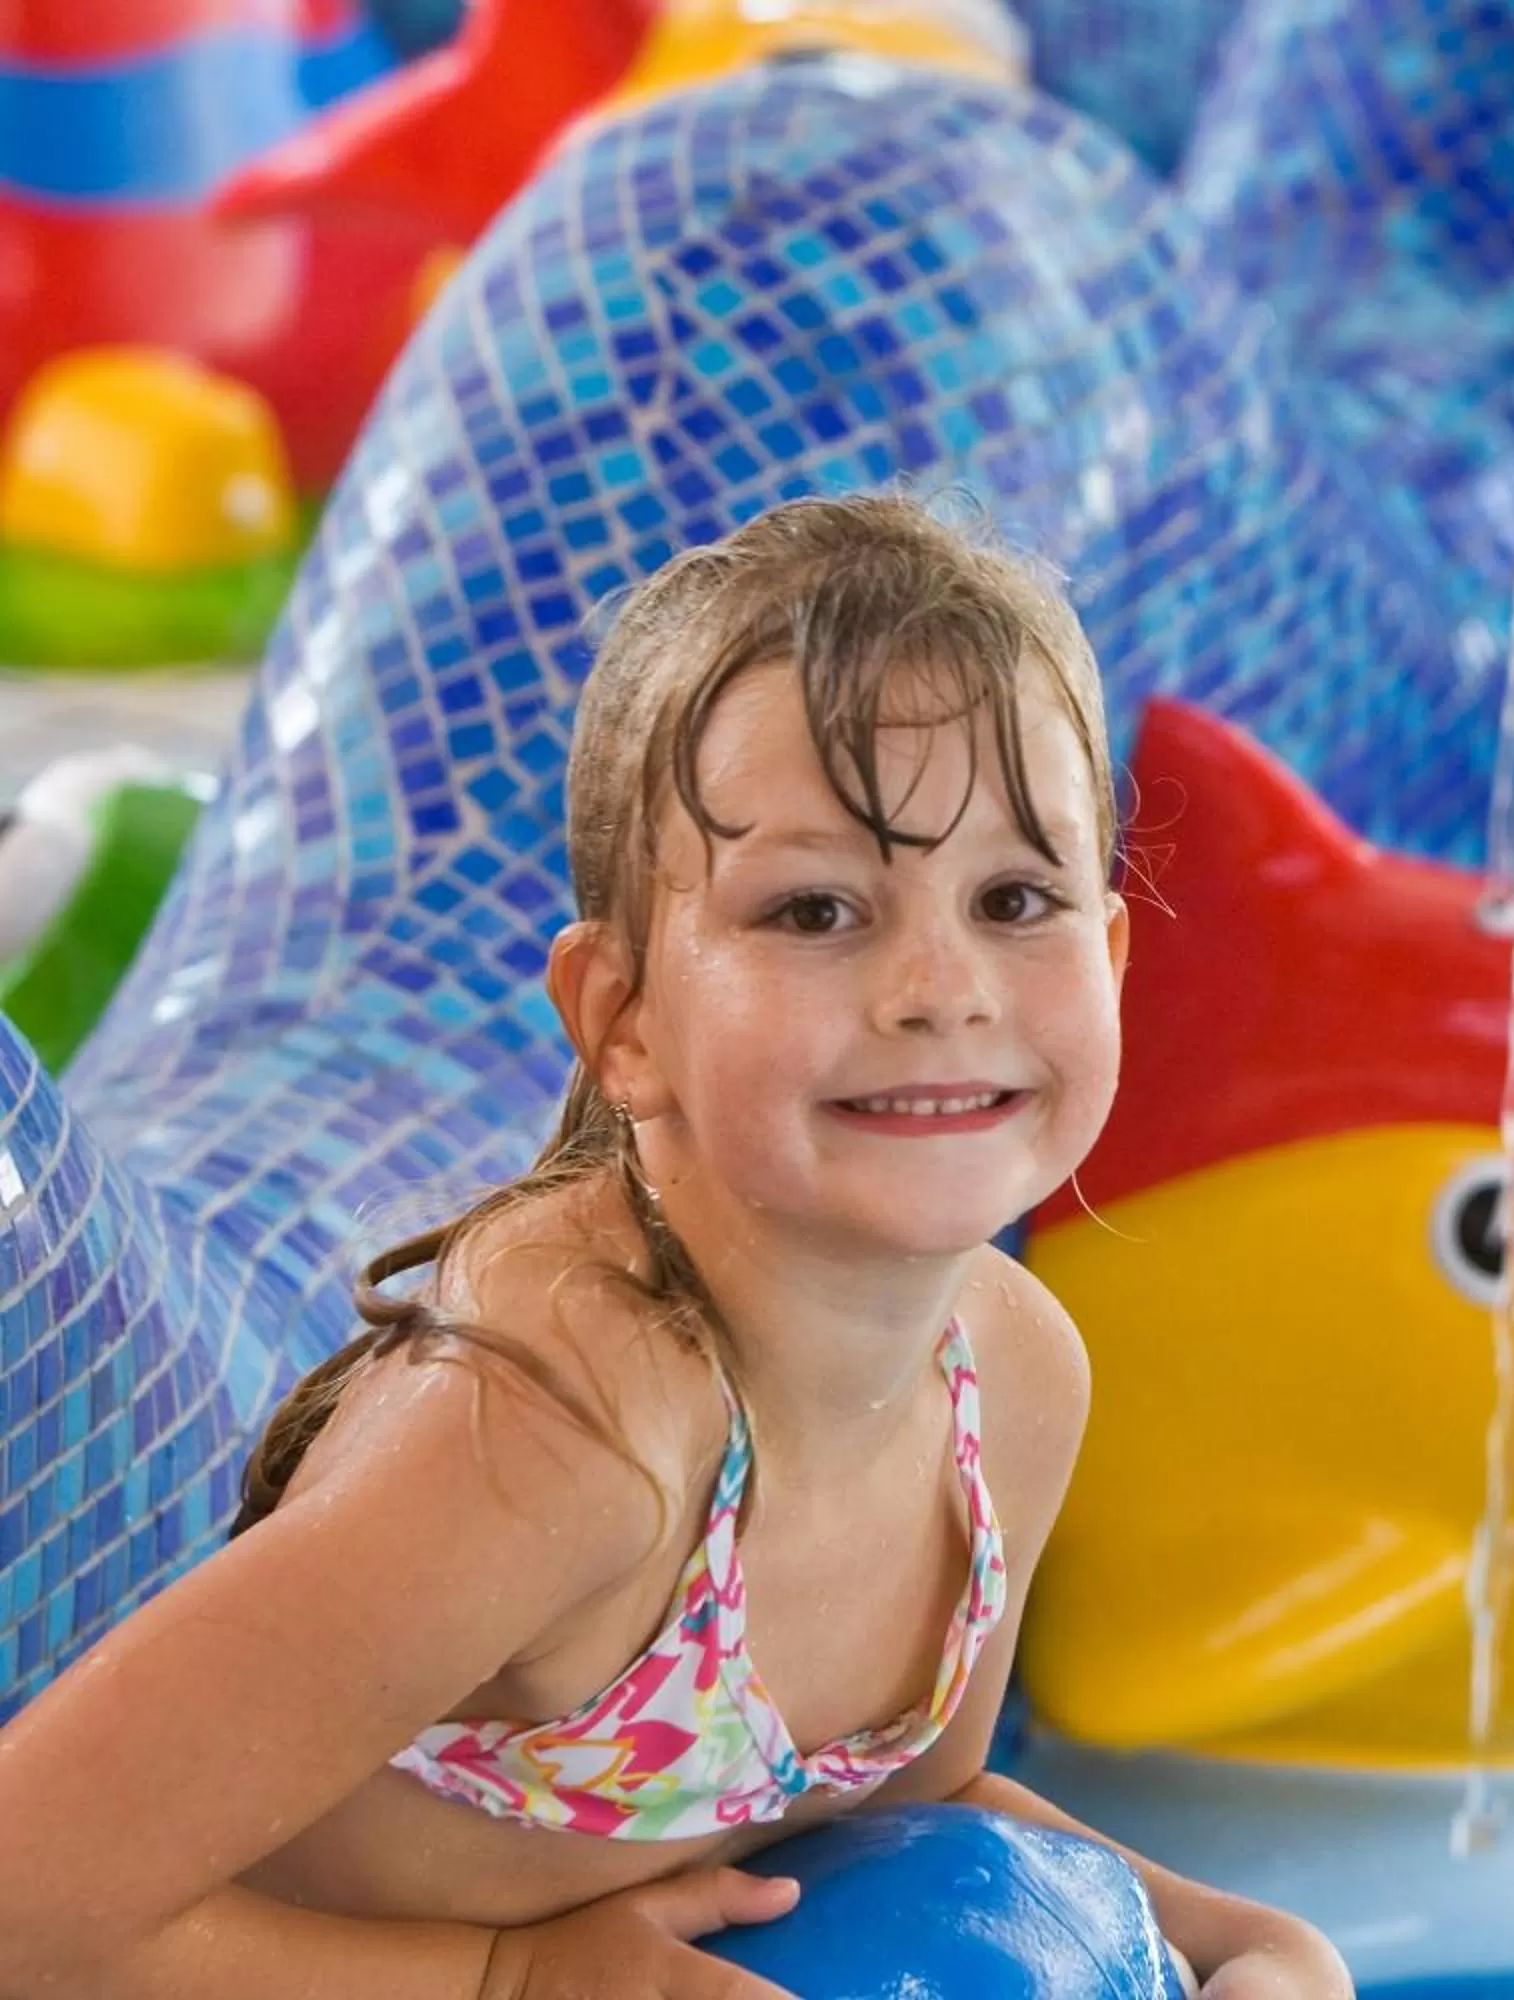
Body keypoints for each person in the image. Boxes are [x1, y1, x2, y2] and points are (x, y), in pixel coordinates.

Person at [0, 495, 1350, 1999]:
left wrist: (1248, 1942)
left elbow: (900, 1833)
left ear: (1108, 955)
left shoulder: (1012, 1378)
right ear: (622, 1020)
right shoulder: (554, 1438)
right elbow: (28, 1902)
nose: (938, 985)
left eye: (1015, 899)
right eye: (818, 908)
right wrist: (510, 1979)